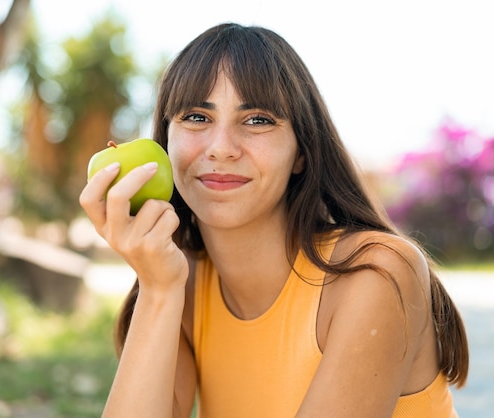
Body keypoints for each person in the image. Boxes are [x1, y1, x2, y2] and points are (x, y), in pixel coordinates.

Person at [79, 22, 469, 418]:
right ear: (164, 143)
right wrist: (157, 288)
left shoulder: (376, 273)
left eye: (257, 120)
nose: (221, 149)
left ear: (301, 151)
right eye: (197, 117)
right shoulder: (183, 282)